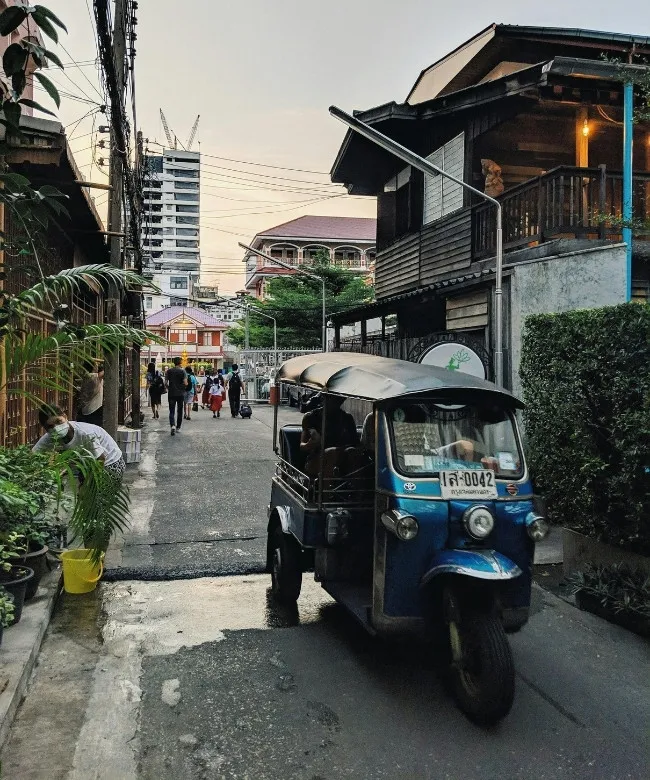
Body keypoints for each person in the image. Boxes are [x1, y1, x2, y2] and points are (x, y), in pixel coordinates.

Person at [33, 404, 125, 484]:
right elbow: (33, 455)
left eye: (58, 421)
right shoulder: (49, 438)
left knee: (98, 495)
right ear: (45, 429)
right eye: (50, 426)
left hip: (110, 462)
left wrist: (88, 484)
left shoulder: (85, 434)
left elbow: (100, 459)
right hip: (87, 465)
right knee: (84, 495)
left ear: (65, 417)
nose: (56, 428)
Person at [300, 394, 358, 476]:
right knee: (332, 452)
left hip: (341, 459)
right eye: (332, 398)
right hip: (315, 460)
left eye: (338, 399)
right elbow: (302, 446)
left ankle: (356, 483)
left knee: (351, 452)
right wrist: (309, 444)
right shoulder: (311, 417)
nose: (335, 402)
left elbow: (356, 443)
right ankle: (325, 484)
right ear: (324, 398)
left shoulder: (347, 418)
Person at [165, 357, 187, 436]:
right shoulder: (183, 371)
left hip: (171, 393)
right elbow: (185, 383)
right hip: (180, 394)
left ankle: (172, 426)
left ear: (174, 362)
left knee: (171, 410)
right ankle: (178, 427)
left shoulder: (169, 371)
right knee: (180, 410)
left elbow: (165, 383)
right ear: (180, 362)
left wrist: (169, 388)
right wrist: (183, 387)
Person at [78, 362, 104, 427]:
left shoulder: (87, 375)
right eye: (96, 365)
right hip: (93, 408)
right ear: (94, 367)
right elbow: (103, 373)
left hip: (87, 408)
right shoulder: (92, 376)